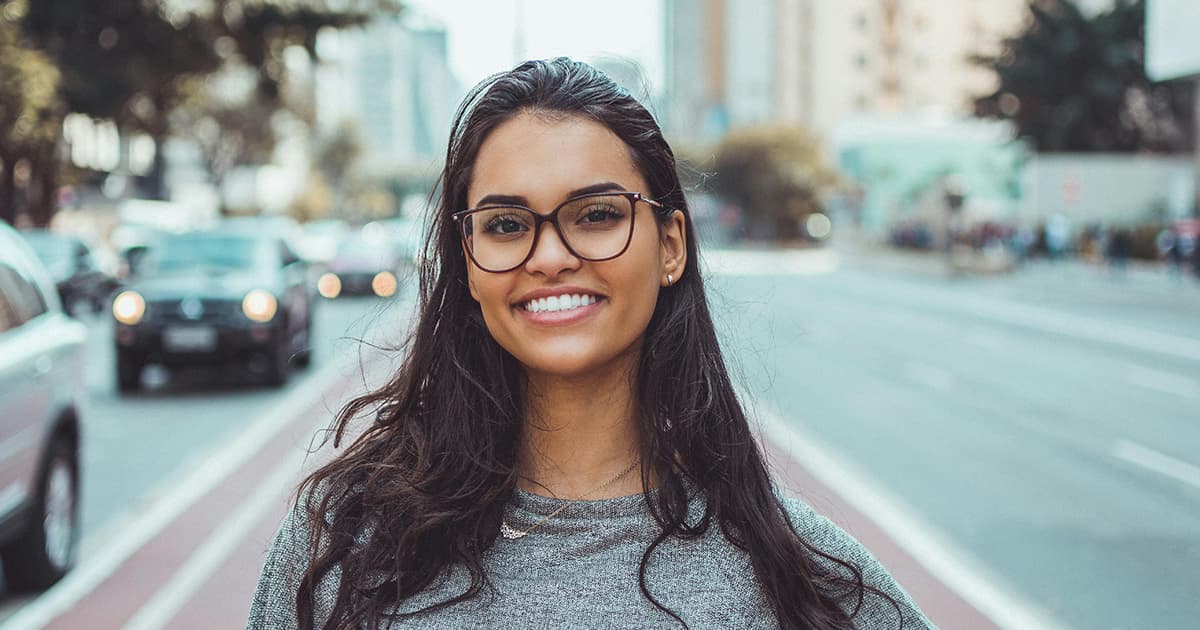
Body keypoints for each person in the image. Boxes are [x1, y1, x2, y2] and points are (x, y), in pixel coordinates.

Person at [248, 58, 934, 629]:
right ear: (468, 260)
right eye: (508, 224)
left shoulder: (805, 581)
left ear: (670, 246)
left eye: (598, 214)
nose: (549, 256)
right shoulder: (339, 549)